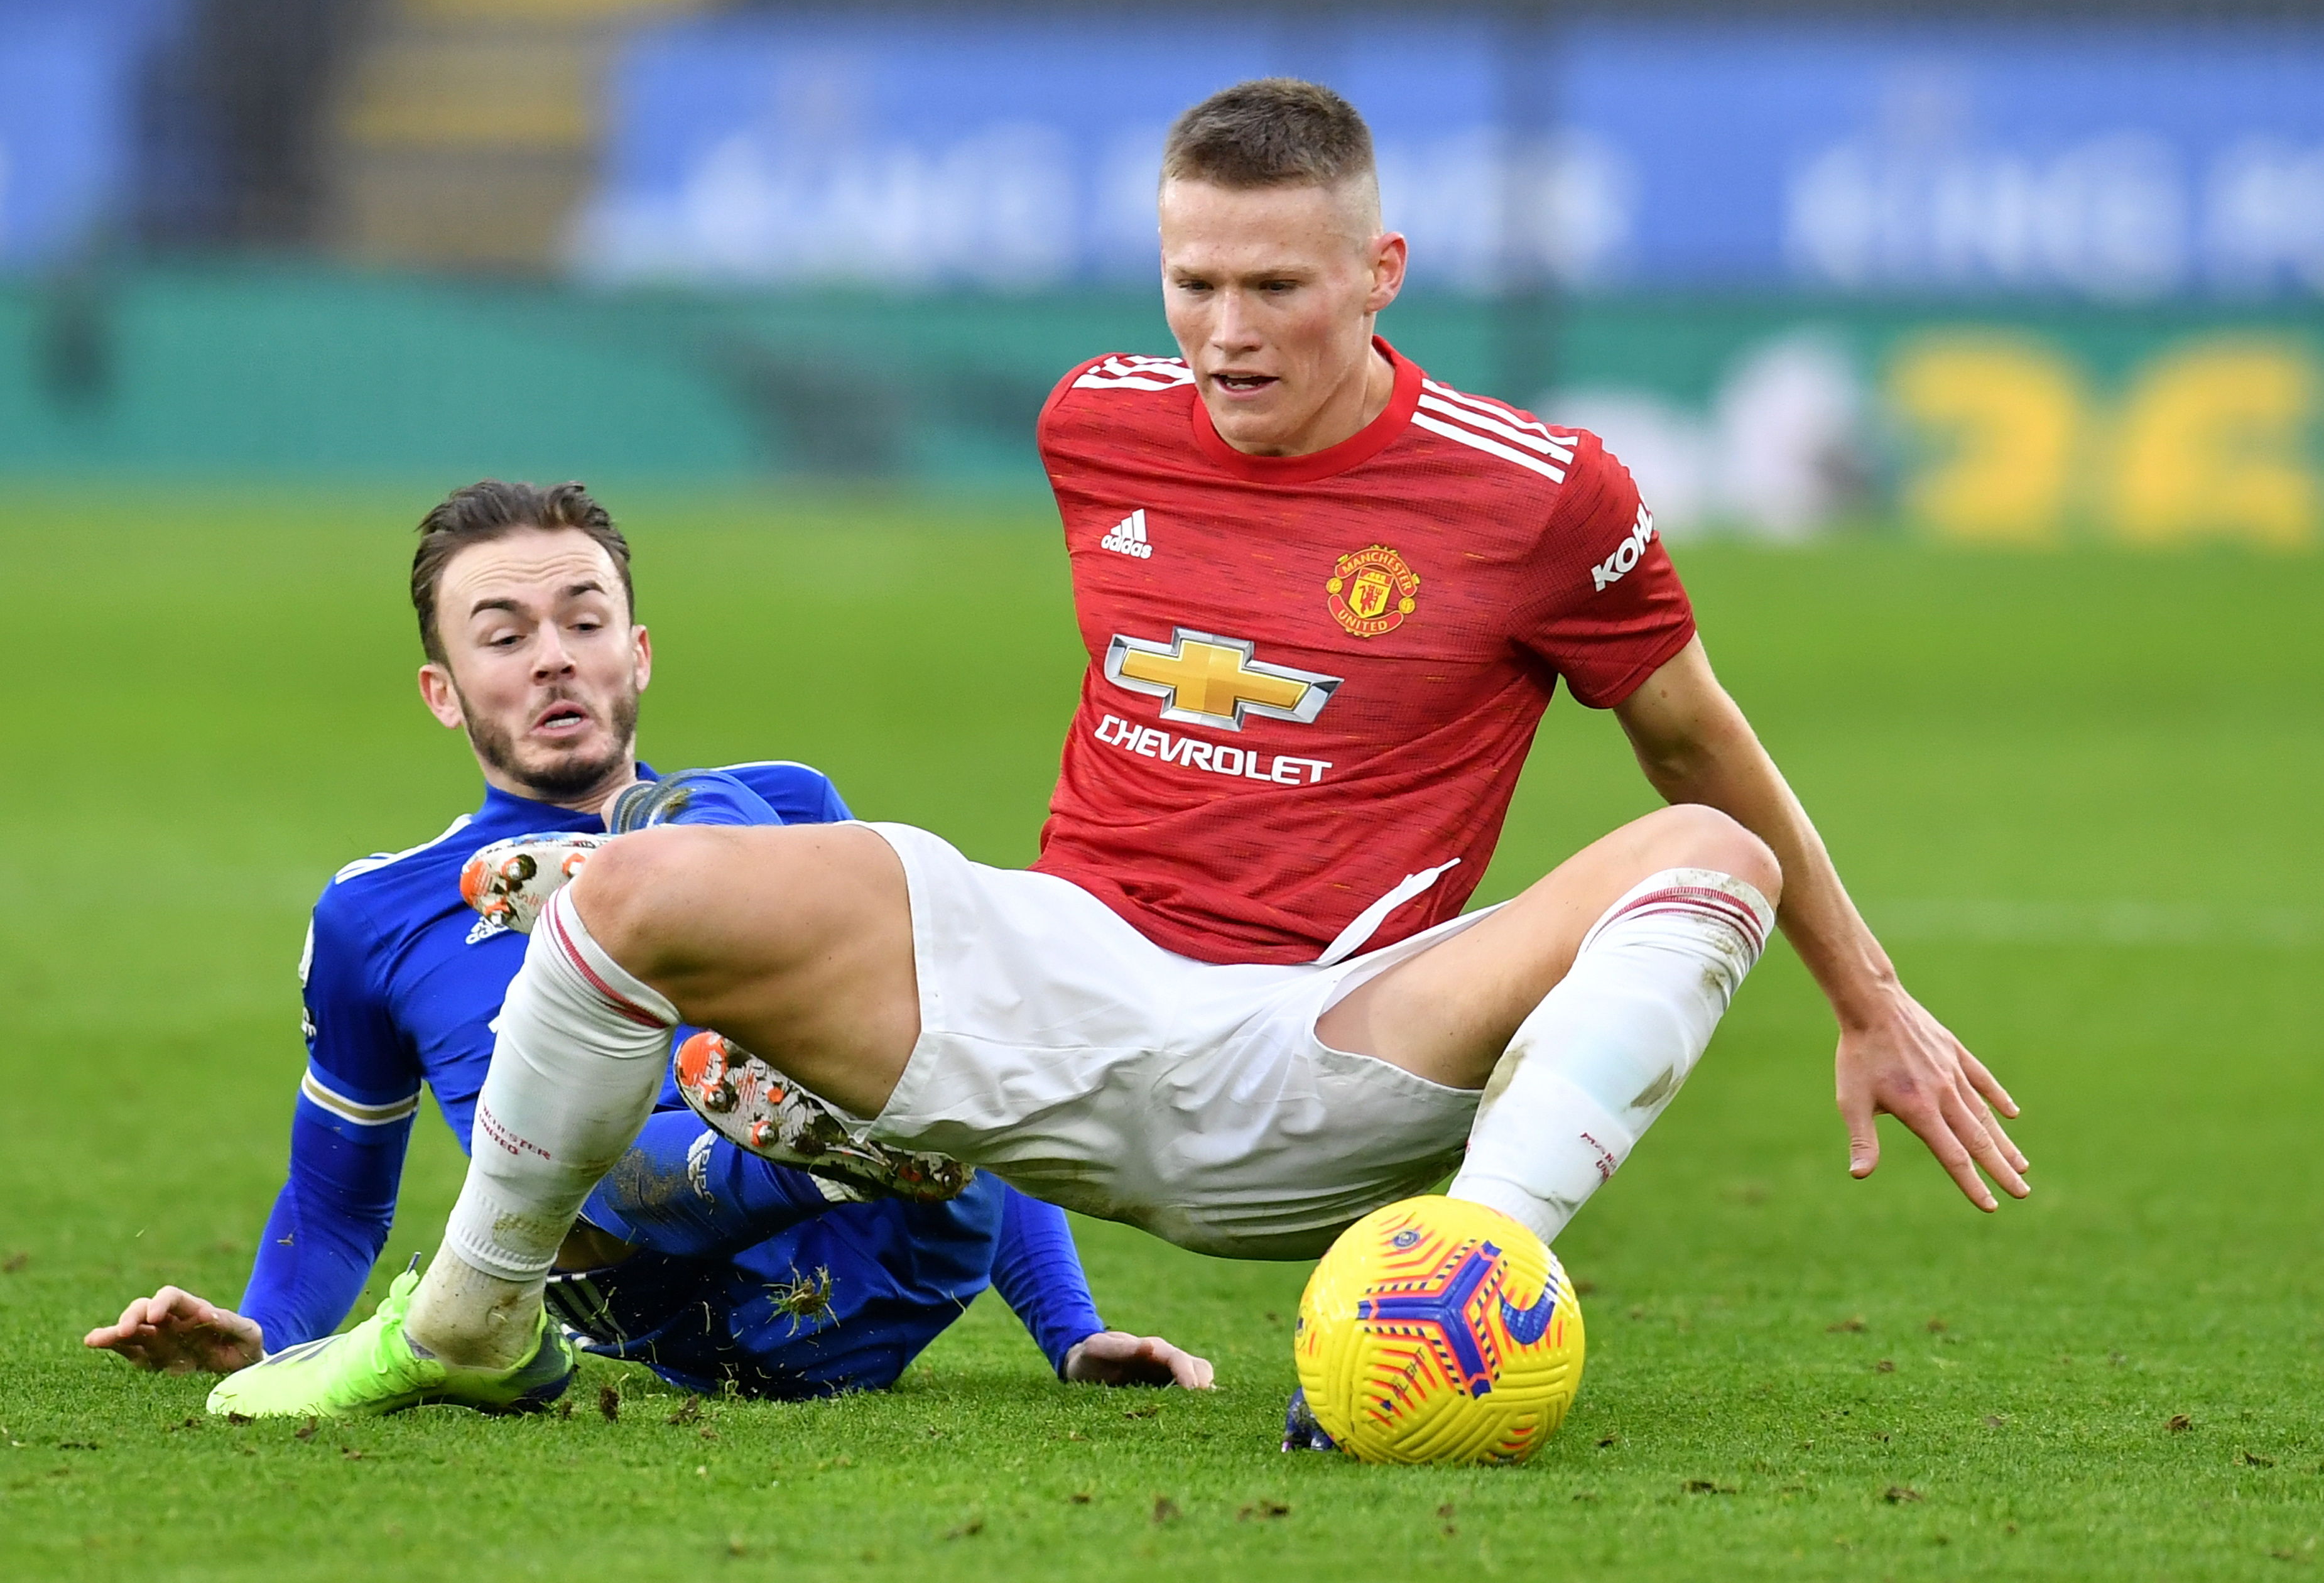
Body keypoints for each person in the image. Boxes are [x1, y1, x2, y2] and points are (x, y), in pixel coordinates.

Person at [210, 81, 2026, 1420]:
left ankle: (1441, 1296)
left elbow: (1696, 742)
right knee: (636, 886)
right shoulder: (1095, 420)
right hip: (1048, 987)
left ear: (1379, 272)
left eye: (1274, 287)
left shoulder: (1540, 495)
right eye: (1191, 281)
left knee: (1712, 858)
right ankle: (469, 1316)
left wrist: (1866, 999)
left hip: (1327, 1041)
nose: (1225, 332)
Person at [89, 481, 1209, 1406]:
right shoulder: (374, 913)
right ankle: (783, 1117)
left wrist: (1073, 1331)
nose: (553, 658)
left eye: (584, 623)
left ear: (638, 654)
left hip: (895, 1254)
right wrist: (269, 1336)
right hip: (656, 1296)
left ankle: (655, 880)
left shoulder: (790, 807)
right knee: (575, 1125)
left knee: (774, 837)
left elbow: (962, 1054)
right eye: (505, 637)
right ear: (443, 692)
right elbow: (339, 1199)